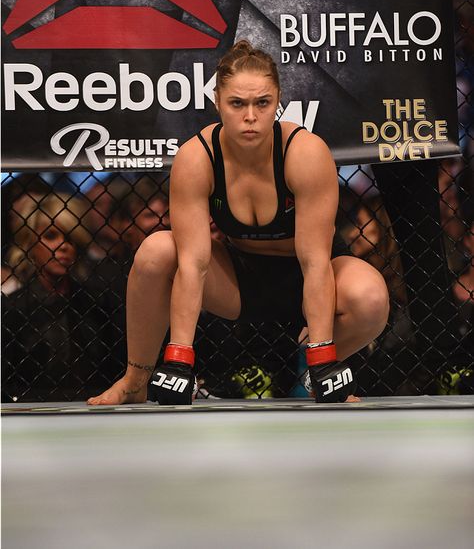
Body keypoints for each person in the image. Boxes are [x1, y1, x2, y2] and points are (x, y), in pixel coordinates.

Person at [88, 40, 389, 406]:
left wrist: (324, 353)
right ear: (217, 102)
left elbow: (314, 262)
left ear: (277, 100)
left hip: (308, 275)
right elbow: (193, 263)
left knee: (370, 297)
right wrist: (179, 357)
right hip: (238, 278)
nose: (250, 116)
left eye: (262, 103)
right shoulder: (196, 158)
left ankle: (310, 370)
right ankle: (135, 380)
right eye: (237, 104)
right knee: (156, 251)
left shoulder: (305, 153)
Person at [2, 193, 121, 401]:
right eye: (50, 236)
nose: (63, 246)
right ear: (30, 243)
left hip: (94, 408)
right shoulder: (13, 309)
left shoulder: (99, 303)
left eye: (70, 238)